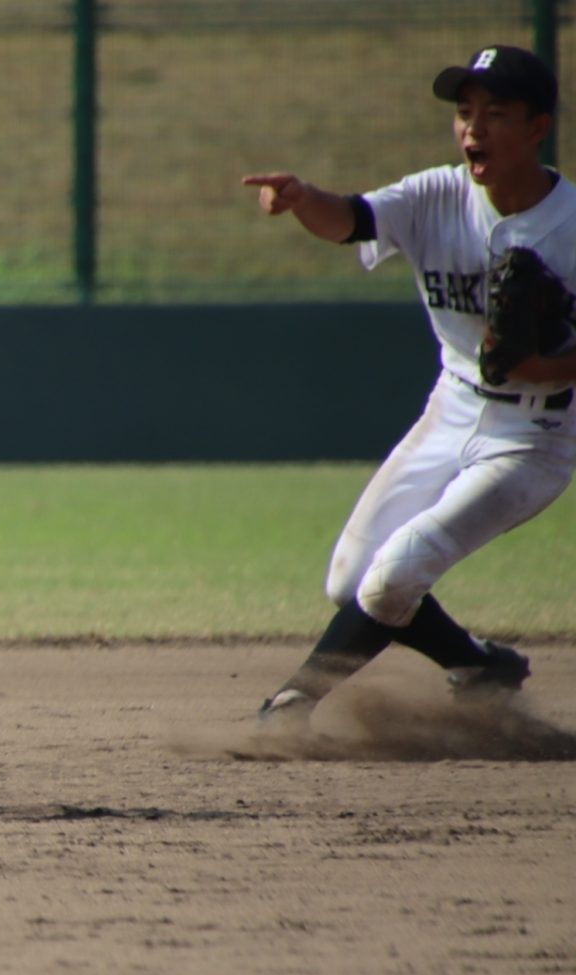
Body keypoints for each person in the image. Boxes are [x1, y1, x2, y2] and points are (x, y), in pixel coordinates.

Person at [241, 44, 576, 722]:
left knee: (395, 575)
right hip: (449, 411)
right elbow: (354, 220)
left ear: (537, 127)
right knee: (351, 580)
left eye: (495, 114)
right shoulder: (435, 195)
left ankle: (293, 701)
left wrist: (547, 368)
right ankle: (481, 666)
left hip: (533, 438)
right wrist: (306, 200)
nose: (472, 129)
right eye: (464, 112)